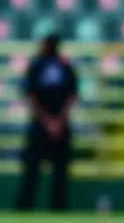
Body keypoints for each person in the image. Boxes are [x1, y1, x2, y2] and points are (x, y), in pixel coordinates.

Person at [16, 33, 78, 212]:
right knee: (43, 172)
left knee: (43, 172)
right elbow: (70, 97)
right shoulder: (62, 67)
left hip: (43, 125)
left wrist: (49, 121)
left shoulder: (40, 66)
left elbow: (31, 95)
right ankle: (53, 209)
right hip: (53, 125)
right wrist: (56, 121)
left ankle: (27, 209)